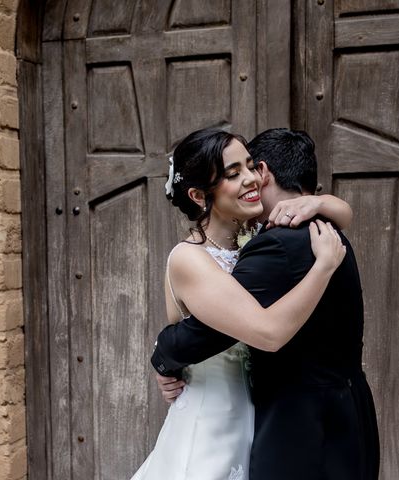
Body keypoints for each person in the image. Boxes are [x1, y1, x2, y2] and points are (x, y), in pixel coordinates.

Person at [152, 128, 380, 480]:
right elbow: (244, 332)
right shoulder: (192, 257)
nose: (251, 178)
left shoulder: (259, 240)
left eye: (251, 167)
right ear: (199, 195)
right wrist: (163, 354)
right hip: (216, 421)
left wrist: (321, 202)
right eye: (233, 173)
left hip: (263, 420)